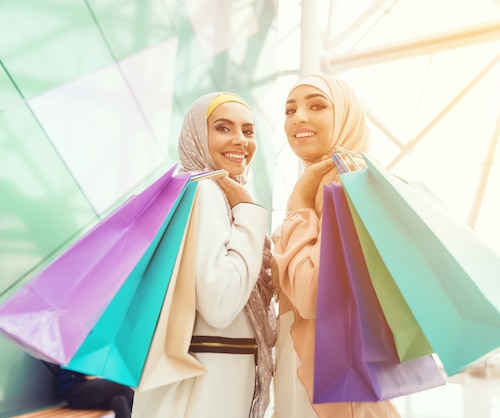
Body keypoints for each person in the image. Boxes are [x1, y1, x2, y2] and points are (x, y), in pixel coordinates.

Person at [131, 92, 277, 418]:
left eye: (248, 131)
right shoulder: (204, 191)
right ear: (198, 134)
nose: (240, 140)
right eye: (224, 128)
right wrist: (249, 213)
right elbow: (221, 302)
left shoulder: (188, 191)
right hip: (206, 386)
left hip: (203, 379)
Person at [271, 73, 401, 417]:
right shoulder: (332, 185)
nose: (298, 117)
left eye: (317, 105)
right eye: (289, 109)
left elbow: (314, 293)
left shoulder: (348, 187)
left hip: (332, 389)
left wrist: (299, 204)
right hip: (314, 374)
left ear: (345, 116)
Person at [46, 363, 134, 418]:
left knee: (119, 400)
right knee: (120, 386)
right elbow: (90, 377)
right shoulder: (77, 349)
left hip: (88, 394)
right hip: (74, 393)